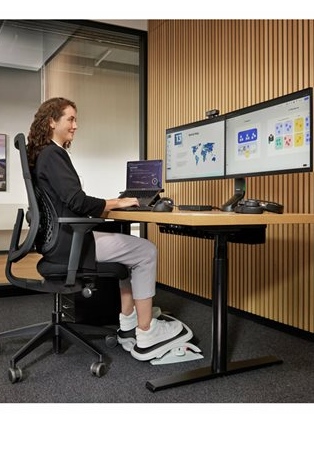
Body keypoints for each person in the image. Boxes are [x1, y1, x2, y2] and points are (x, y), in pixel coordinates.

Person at [26, 97, 191, 360]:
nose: (75, 125)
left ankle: (128, 323)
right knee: (146, 251)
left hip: (59, 241)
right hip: (70, 243)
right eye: (70, 119)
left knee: (127, 250)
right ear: (52, 122)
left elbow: (69, 202)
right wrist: (117, 202)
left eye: (76, 120)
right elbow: (77, 201)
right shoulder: (53, 154)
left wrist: (109, 205)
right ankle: (147, 331)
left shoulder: (43, 155)